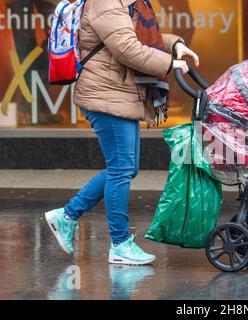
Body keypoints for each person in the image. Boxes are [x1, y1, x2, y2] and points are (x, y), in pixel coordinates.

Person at [45, 0, 200, 266]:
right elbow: (128, 49)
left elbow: (141, 38)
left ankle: (67, 215)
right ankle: (119, 244)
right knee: (121, 169)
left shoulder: (127, 2)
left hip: (117, 95)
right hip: (106, 96)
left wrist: (175, 44)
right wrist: (170, 63)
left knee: (125, 168)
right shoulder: (104, 2)